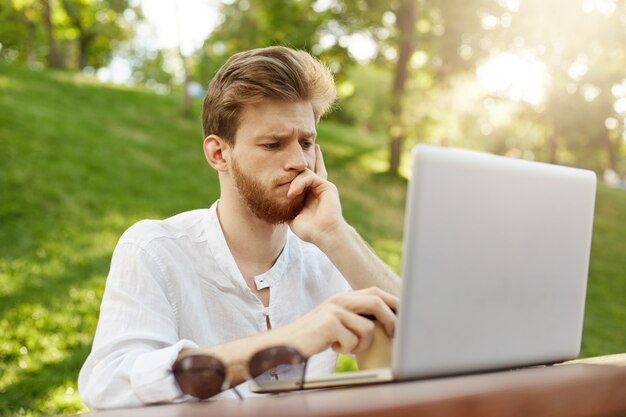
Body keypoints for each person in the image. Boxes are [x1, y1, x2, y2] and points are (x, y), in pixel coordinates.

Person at [78, 46, 401, 410]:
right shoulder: (155, 249)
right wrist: (288, 341)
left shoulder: (327, 259)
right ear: (219, 154)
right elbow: (109, 385)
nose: (298, 161)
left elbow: (431, 348)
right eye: (273, 144)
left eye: (306, 142)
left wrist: (334, 233)